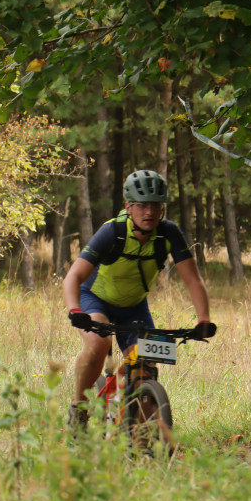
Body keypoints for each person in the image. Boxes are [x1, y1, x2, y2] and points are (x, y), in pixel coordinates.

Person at [63, 169, 217, 432]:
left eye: (156, 205)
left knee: (145, 367)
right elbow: (73, 276)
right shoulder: (112, 232)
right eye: (142, 205)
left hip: (134, 307)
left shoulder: (169, 234)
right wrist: (75, 309)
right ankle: (79, 408)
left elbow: (193, 280)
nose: (149, 212)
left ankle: (141, 439)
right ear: (128, 207)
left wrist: (203, 320)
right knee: (99, 346)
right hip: (95, 300)